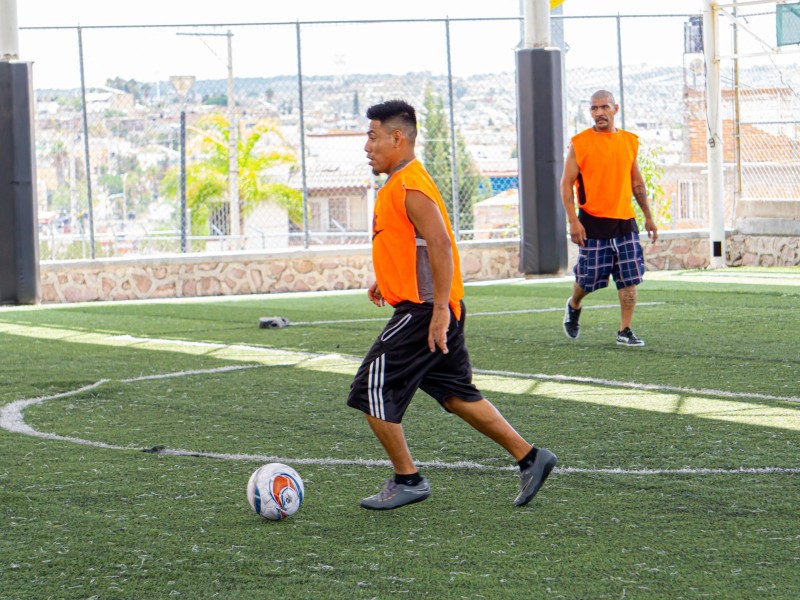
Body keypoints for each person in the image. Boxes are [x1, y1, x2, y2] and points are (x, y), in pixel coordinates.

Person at [348, 99, 557, 510]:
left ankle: (408, 479)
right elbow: (415, 246)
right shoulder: (400, 183)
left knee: (371, 387)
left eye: (373, 137)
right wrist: (386, 279)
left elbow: (441, 244)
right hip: (431, 306)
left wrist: (440, 310)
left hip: (424, 311)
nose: (367, 146)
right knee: (456, 395)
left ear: (398, 137)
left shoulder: (410, 186)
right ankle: (531, 457)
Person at [560, 89, 658, 346]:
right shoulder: (580, 143)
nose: (599, 112)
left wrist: (648, 217)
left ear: (615, 108)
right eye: (594, 108)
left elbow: (637, 183)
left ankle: (624, 330)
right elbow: (566, 184)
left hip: (625, 223)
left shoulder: (629, 141)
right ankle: (574, 304)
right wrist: (573, 221)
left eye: (604, 107)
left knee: (629, 279)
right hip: (592, 223)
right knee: (588, 280)